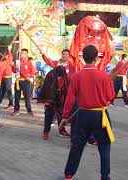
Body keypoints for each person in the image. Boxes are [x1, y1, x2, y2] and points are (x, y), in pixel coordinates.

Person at [59, 45, 115, 180]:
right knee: (104, 147)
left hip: (82, 115)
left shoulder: (77, 76)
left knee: (77, 146)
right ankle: (105, 176)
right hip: (100, 116)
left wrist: (65, 116)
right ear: (96, 58)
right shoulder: (104, 76)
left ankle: (68, 174)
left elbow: (70, 98)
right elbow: (110, 96)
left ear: (83, 58)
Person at [38, 66, 70, 140]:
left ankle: (62, 130)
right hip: (50, 100)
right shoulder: (50, 76)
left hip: (60, 99)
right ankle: (46, 132)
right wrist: (48, 100)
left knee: (61, 116)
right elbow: (47, 89)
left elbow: (65, 87)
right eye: (59, 76)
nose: (60, 77)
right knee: (48, 116)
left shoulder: (63, 76)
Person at [10, 49, 36, 116]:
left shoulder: (29, 62)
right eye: (21, 53)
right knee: (17, 97)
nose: (22, 54)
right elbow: (14, 71)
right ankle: (16, 110)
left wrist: (29, 76)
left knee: (27, 97)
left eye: (24, 53)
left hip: (26, 81)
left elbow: (33, 71)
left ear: (27, 54)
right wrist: (13, 66)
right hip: (18, 81)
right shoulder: (17, 62)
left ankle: (29, 110)